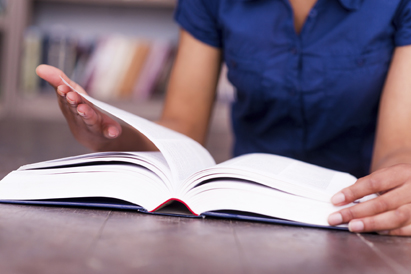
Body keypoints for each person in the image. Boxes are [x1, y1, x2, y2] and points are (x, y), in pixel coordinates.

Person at [36, 0, 411, 236]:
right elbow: (182, 127)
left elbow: (398, 146)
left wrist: (399, 189)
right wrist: (109, 134)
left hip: (354, 215)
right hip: (246, 213)